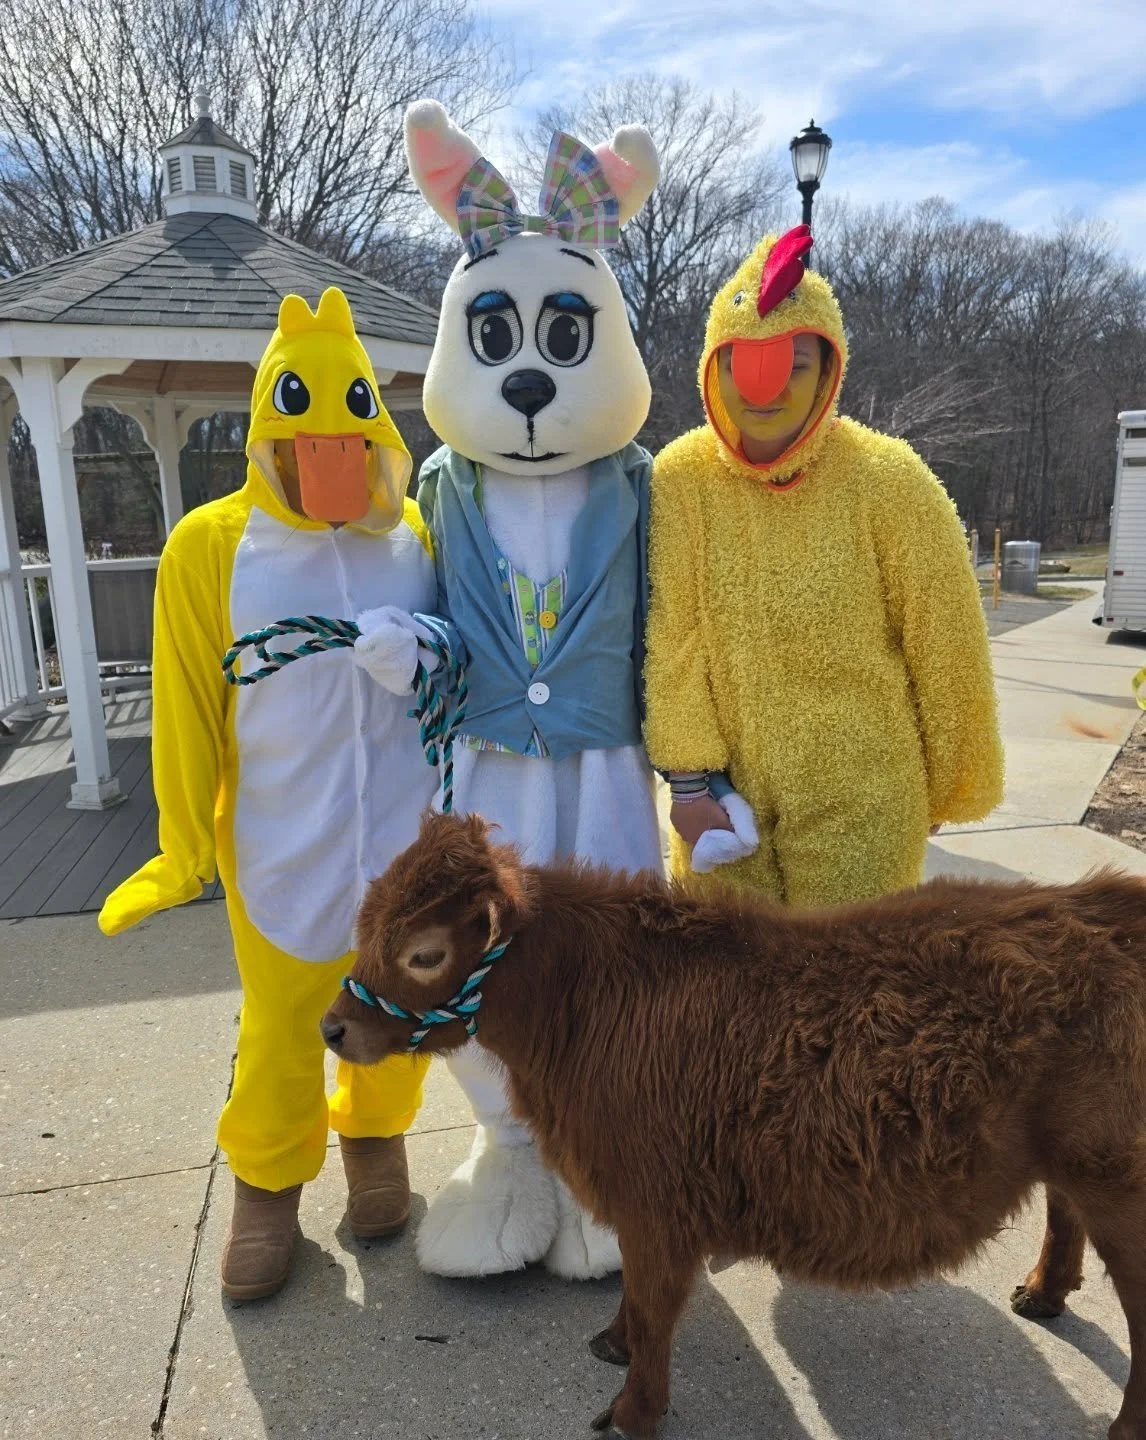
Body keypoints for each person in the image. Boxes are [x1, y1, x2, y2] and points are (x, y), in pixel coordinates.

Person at [353, 99, 662, 1280]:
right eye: (496, 337)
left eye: (563, 339)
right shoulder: (442, 480)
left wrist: (695, 766)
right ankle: (507, 1153)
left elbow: (669, 628)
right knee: (476, 951)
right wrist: (407, 646)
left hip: (604, 762)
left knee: (611, 960)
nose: (530, 376)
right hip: (483, 770)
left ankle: (605, 1159)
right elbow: (436, 619)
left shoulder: (638, 483)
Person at [99, 287, 438, 1300]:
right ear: (269, 425)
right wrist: (180, 844)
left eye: (350, 421)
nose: (327, 448)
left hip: (400, 835)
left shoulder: (415, 532)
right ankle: (266, 1178)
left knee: (398, 1002)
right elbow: (186, 706)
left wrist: (421, 650)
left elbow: (460, 661)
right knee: (285, 1016)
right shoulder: (210, 547)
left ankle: (373, 1138)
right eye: (303, 424)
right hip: (281, 837)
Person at [645, 224, 1004, 905]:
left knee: (850, 993)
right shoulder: (681, 478)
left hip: (865, 795)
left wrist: (951, 783)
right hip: (726, 808)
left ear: (828, 368)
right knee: (726, 990)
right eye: (737, 365)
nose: (763, 391)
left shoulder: (889, 480)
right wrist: (689, 780)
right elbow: (674, 636)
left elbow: (945, 642)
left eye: (795, 365)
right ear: (712, 368)